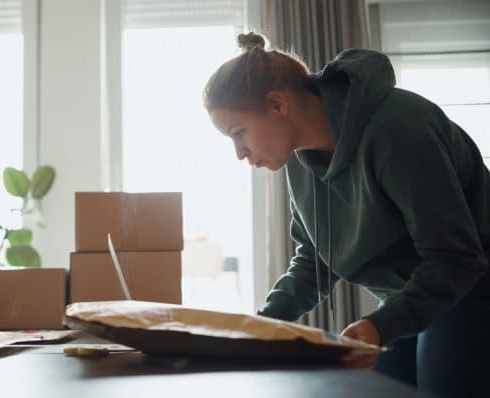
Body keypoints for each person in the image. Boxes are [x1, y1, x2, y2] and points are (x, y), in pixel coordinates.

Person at [203, 32, 490, 397]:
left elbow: (457, 258)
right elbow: (315, 258)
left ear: (277, 104)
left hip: (472, 288)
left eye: (238, 133)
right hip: (412, 297)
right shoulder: (300, 158)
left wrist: (380, 324)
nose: (240, 154)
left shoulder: (397, 131)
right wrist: (261, 325)